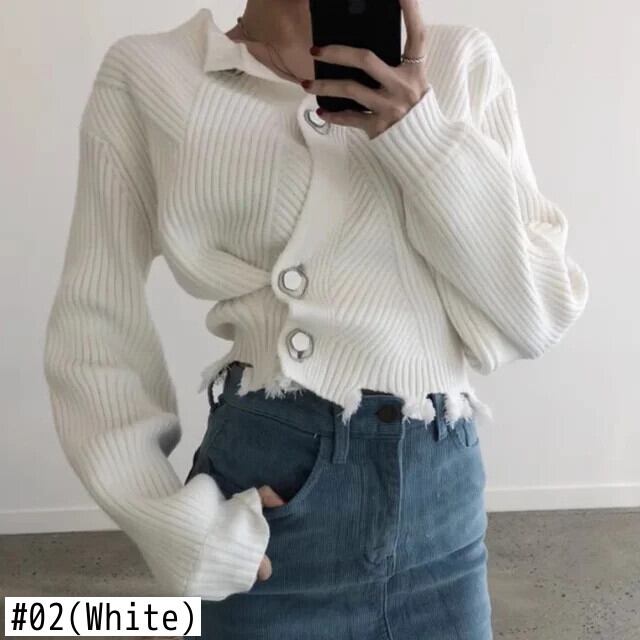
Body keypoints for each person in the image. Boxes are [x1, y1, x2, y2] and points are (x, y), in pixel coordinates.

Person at [43, 1, 589, 638]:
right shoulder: (153, 74)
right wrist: (162, 516)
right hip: (269, 507)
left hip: (441, 514)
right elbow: (94, 322)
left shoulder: (458, 64)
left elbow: (538, 313)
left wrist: (422, 134)